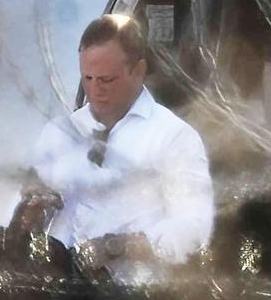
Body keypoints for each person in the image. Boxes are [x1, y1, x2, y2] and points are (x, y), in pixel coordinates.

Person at [31, 14, 215, 285]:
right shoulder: (59, 133)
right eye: (88, 78)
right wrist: (28, 212)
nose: (95, 90)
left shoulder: (173, 137)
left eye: (107, 80)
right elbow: (18, 211)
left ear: (138, 71)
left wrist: (118, 247)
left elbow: (194, 227)